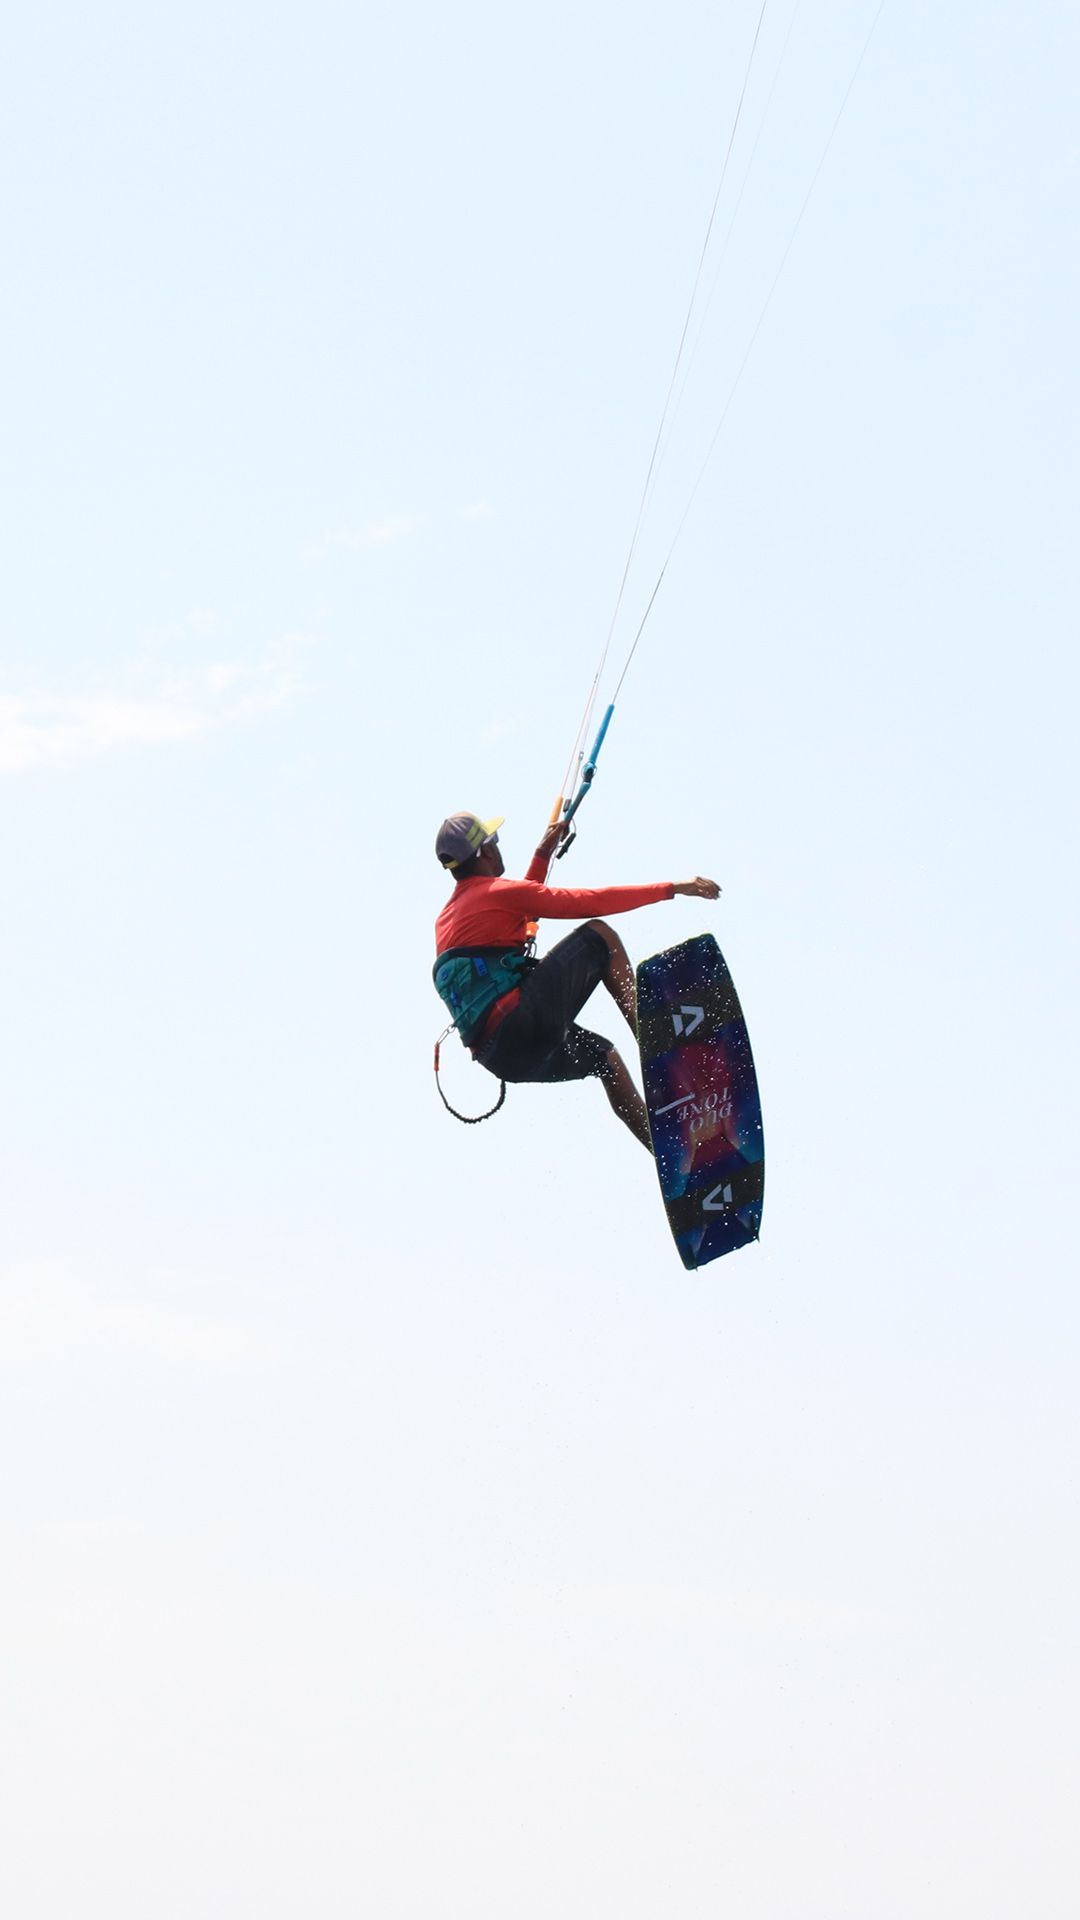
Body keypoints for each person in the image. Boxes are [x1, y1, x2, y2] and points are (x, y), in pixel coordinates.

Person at [433, 810, 720, 1150]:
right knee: (600, 936)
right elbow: (587, 902)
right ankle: (654, 1041)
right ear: (486, 851)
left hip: (501, 1059)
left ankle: (670, 1151)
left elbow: (520, 907)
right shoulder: (494, 894)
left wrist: (542, 855)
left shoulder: (449, 918)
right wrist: (673, 888)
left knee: (606, 1060)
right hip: (518, 1022)